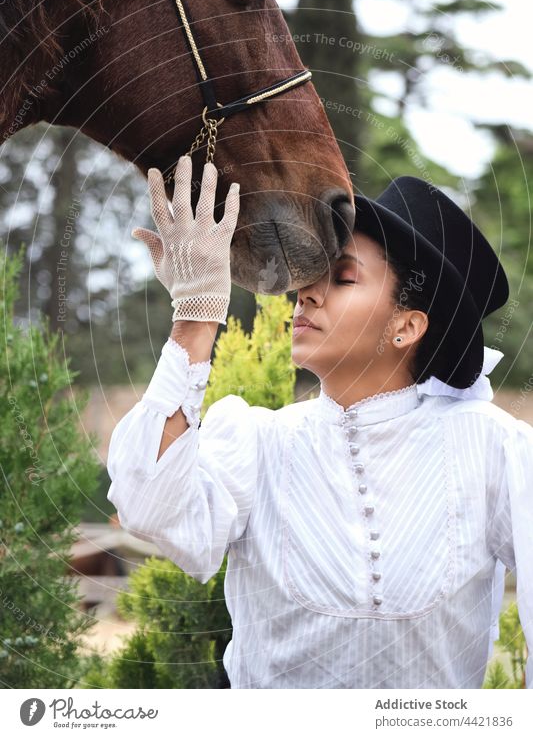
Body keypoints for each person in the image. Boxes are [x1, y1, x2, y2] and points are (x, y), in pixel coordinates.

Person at [106, 156, 533, 689]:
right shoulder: (258, 441)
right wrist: (196, 315)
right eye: (311, 274)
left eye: (344, 277)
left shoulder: (497, 449)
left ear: (407, 326)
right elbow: (147, 507)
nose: (306, 291)